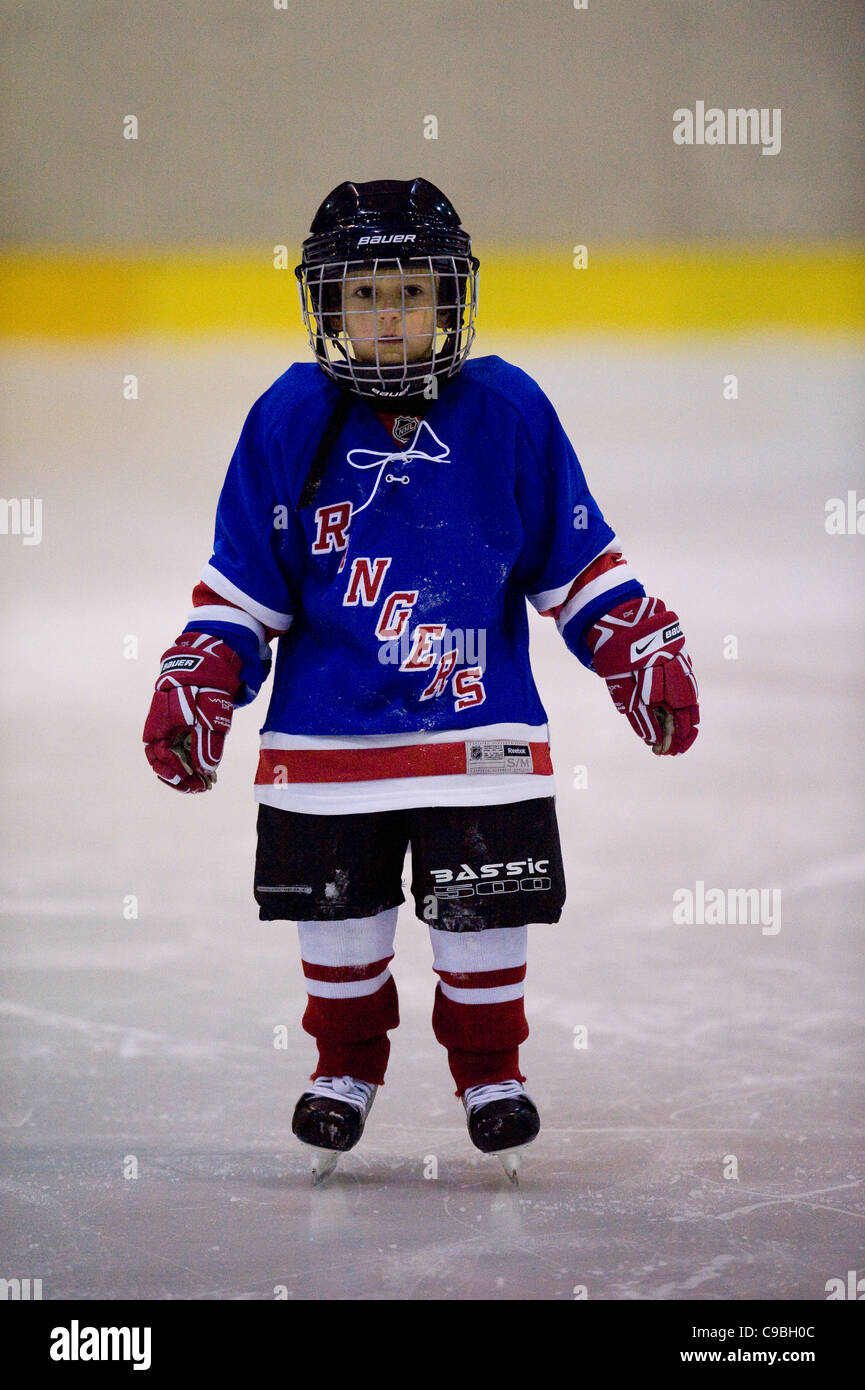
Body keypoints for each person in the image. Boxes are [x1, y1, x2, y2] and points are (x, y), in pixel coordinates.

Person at [142, 177, 700, 1182]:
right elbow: (244, 589)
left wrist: (636, 645)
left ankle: (491, 1074)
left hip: (479, 737)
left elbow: (574, 568)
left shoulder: (509, 409)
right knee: (338, 924)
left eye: (411, 288)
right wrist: (202, 674)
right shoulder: (287, 417)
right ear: (328, 305)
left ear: (453, 299)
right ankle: (344, 1067)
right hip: (325, 744)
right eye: (364, 294)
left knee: (484, 921)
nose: (389, 314)